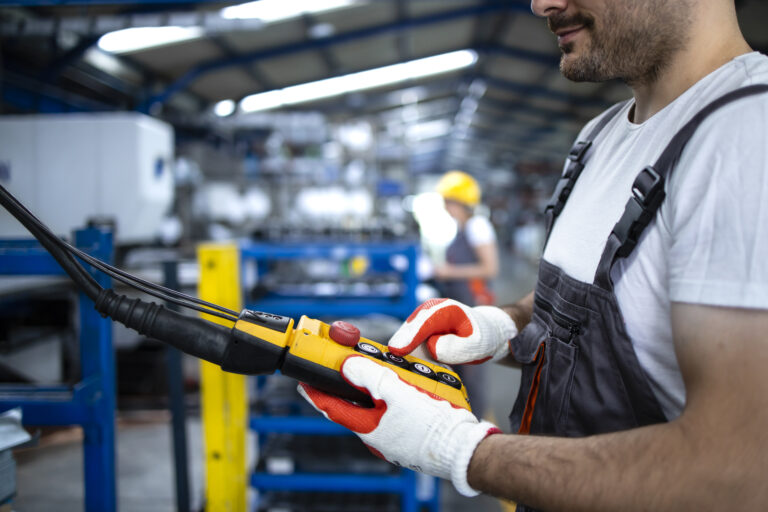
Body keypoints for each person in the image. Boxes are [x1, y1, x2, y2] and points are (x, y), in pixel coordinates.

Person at [299, 0, 768, 509]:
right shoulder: (598, 136)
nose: (539, 3)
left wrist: (461, 451)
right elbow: (598, 306)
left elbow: (737, 471)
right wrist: (502, 325)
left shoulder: (746, 134)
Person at [432, 170, 500, 418]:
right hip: (463, 307)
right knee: (461, 366)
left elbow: (490, 268)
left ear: (459, 203)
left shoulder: (477, 227)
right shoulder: (463, 229)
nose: (445, 207)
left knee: (472, 371)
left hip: (474, 308)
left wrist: (449, 272)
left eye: (448, 202)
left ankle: (478, 424)